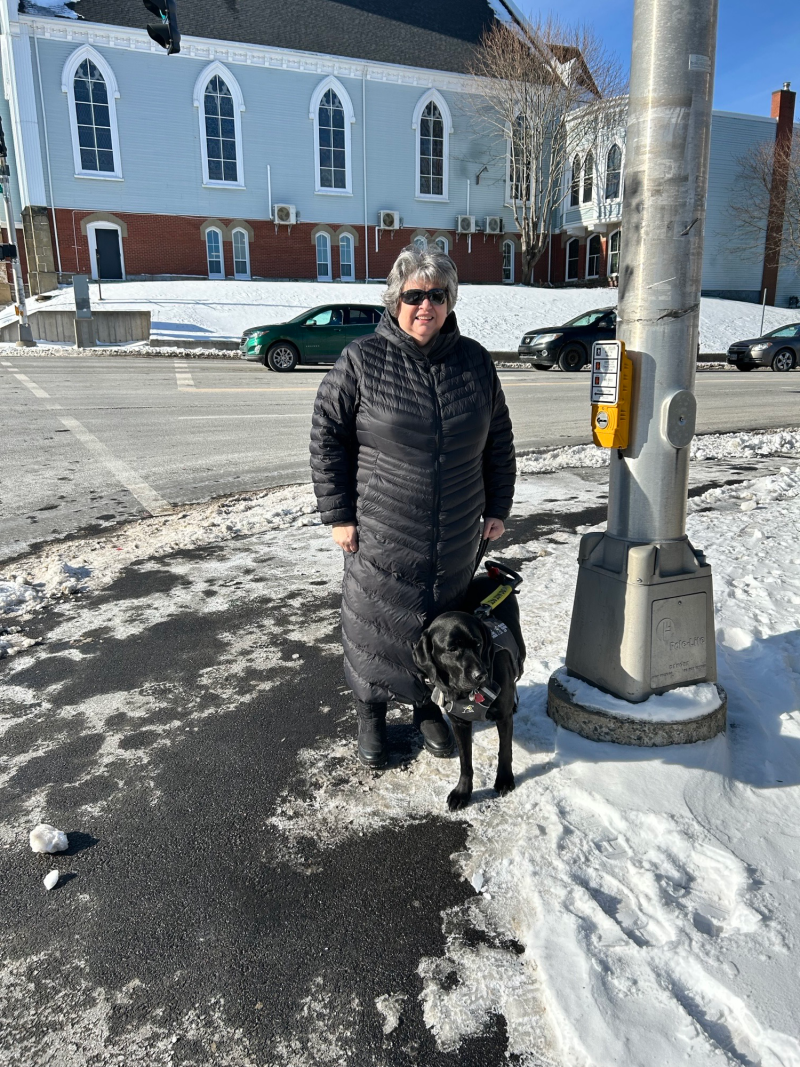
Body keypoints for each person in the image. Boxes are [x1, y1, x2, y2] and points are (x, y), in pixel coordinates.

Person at [310, 244, 516, 768]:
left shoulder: (474, 361)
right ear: (395, 300)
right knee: (375, 623)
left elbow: (499, 440)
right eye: (415, 295)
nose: (426, 306)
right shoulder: (362, 360)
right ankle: (371, 716)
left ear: (451, 302)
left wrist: (498, 506)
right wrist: (339, 514)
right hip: (382, 524)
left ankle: (424, 705)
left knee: (436, 622)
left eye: (438, 295)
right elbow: (327, 436)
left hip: (455, 531)